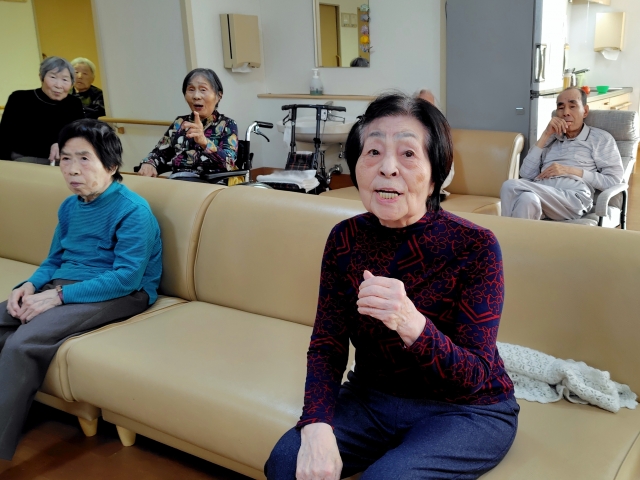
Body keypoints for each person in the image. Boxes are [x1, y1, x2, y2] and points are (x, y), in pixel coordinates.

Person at [265, 93, 518, 480]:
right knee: (286, 463)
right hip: (371, 397)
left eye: (408, 154)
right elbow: (328, 345)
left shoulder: (476, 246)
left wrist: (410, 323)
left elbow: (475, 375)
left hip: (466, 408)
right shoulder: (344, 239)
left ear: (435, 173)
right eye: (373, 152)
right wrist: (316, 424)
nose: (387, 168)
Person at [0, 119, 162, 461]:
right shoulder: (69, 206)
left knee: (22, 342)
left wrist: (56, 296)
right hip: (66, 285)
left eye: (84, 159)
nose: (72, 169)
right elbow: (54, 259)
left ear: (111, 166)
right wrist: (29, 285)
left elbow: (127, 278)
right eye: (66, 159)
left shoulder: (133, 210)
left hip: (123, 293)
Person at [501, 87, 624, 221]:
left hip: (574, 196)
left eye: (572, 106)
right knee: (527, 199)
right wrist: (546, 134)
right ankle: (515, 235)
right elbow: (526, 174)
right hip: (543, 190)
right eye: (561, 108)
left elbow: (613, 181)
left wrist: (570, 170)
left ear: (585, 111)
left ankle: (500, 232)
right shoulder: (551, 139)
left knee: (510, 185)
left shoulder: (600, 138)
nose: (566, 112)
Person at [137, 68, 239, 183]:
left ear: (218, 95)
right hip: (178, 181)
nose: (196, 96)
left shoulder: (227, 124)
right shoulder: (180, 123)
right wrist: (149, 163)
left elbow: (229, 163)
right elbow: (160, 152)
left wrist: (204, 142)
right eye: (191, 89)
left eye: (203, 89)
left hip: (209, 184)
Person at [0, 57, 84, 165]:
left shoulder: (74, 103)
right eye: (53, 77)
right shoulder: (19, 99)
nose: (58, 85)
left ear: (72, 83)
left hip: (62, 161)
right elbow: (4, 136)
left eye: (65, 80)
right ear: (41, 77)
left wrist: (62, 144)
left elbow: (79, 135)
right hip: (25, 158)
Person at [417, 88, 455, 198]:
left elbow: (448, 174)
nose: (427, 110)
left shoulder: (442, 135)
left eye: (430, 106)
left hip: (434, 192)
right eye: (422, 105)